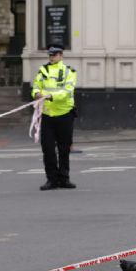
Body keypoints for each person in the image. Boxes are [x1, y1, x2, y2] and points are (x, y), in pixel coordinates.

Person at [31, 44, 78, 191]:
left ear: (61, 55)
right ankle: (51, 179)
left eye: (54, 54)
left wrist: (51, 96)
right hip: (47, 115)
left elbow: (67, 91)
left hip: (65, 114)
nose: (51, 57)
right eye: (50, 55)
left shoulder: (69, 71)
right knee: (48, 149)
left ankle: (64, 179)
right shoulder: (43, 70)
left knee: (64, 149)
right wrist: (37, 93)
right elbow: (36, 86)